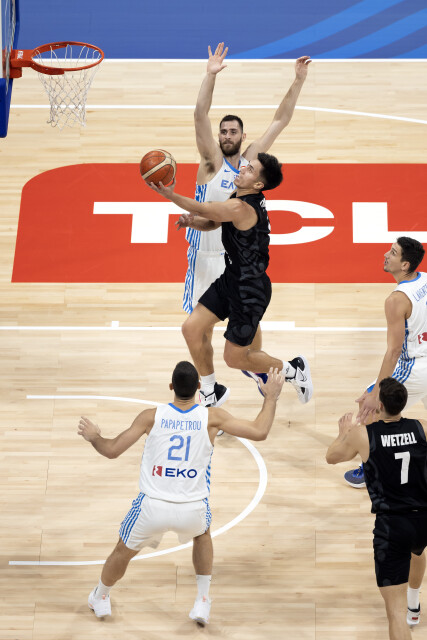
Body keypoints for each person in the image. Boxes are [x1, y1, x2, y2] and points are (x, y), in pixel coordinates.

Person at [78, 361, 284, 625]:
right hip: (192, 509)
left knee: (122, 550)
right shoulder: (213, 418)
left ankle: (100, 596)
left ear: (171, 387)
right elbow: (260, 431)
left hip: (151, 508)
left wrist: (95, 437)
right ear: (198, 388)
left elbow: (112, 450)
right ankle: (203, 601)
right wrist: (271, 397)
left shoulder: (150, 417)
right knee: (203, 534)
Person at [183, 42, 311, 406]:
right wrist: (210, 76)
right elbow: (199, 114)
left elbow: (280, 120)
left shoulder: (250, 163)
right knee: (198, 332)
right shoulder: (210, 160)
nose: (226, 136)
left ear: (242, 136)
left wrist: (298, 81)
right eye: (223, 131)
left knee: (246, 343)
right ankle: (211, 391)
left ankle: (266, 373)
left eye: (233, 131)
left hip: (235, 263)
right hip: (205, 256)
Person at [148, 153, 313, 405]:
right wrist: (193, 223)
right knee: (191, 328)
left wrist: (170, 195)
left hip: (250, 290)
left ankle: (293, 369)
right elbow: (213, 221)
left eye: (250, 170)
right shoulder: (238, 196)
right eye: (246, 166)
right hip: (232, 279)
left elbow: (204, 207)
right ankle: (210, 391)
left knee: (235, 358)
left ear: (258, 184)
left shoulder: (241, 207)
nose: (243, 169)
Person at [326, 377, 427, 640]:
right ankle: (414, 604)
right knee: (417, 550)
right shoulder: (422, 427)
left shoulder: (364, 435)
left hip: (392, 527)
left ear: (379, 405)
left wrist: (343, 432)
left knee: (395, 614)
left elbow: (331, 457)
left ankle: (408, 608)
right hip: (422, 520)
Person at [345, 237, 427, 488]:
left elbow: (393, 352)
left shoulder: (396, 300)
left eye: (392, 252)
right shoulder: (424, 279)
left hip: (415, 366)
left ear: (404, 265)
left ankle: (372, 470)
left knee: (368, 408)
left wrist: (375, 393)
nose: (385, 254)